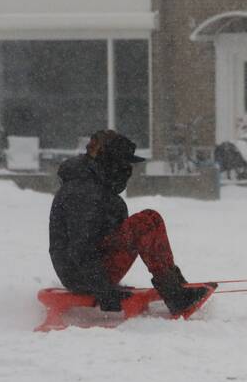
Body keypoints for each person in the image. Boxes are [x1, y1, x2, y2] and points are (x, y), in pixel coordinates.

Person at [48, 130, 215, 317]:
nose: (128, 169)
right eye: (124, 163)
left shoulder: (100, 188)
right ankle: (175, 294)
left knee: (150, 219)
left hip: (93, 270)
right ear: (110, 162)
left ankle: (174, 287)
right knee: (144, 223)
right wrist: (103, 290)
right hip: (81, 275)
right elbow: (80, 248)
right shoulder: (82, 192)